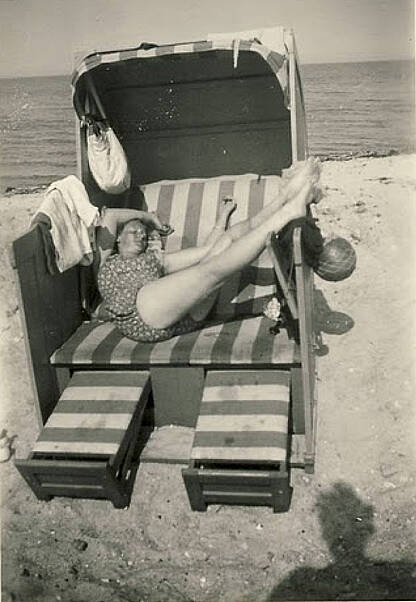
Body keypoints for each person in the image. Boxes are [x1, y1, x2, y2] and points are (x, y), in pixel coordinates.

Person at [96, 158, 321, 342]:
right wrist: (147, 218)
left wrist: (222, 219)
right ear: (117, 240)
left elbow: (208, 250)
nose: (141, 235)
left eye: (144, 234)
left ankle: (284, 198)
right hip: (143, 317)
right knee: (211, 271)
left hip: (186, 313)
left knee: (227, 240)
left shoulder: (155, 259)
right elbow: (110, 216)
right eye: (134, 232)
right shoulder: (107, 261)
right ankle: (290, 211)